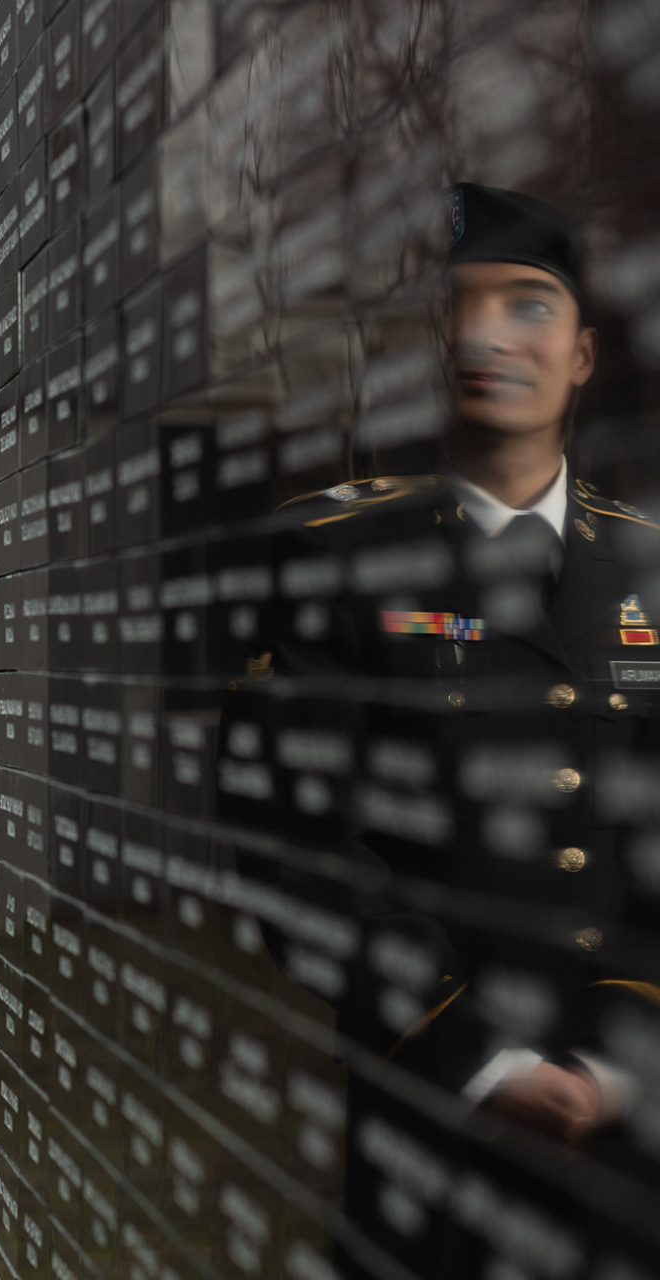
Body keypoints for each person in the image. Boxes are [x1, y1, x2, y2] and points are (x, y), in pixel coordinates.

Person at [224, 183, 658, 1271]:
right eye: (463, 308)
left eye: (527, 305)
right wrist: (478, 1055)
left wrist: (616, 1058)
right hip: (430, 1108)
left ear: (583, 353)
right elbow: (293, 843)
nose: (490, 335)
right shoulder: (329, 556)